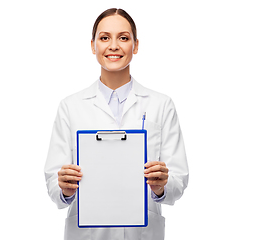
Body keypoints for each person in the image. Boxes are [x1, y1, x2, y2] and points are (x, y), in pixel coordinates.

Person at [44, 8, 189, 240]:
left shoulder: (161, 105)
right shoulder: (70, 107)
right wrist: (64, 188)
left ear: (136, 45)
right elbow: (53, 182)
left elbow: (178, 181)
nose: (113, 46)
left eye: (123, 37)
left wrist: (161, 186)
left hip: (142, 233)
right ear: (93, 46)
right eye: (104, 38)